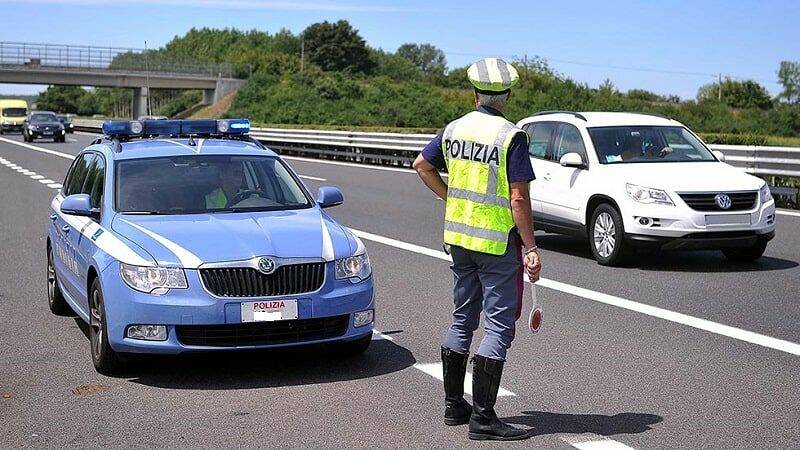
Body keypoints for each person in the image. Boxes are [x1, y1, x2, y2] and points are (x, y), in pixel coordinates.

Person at [412, 57, 542, 441]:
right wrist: (531, 246)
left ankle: (455, 406)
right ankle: (484, 418)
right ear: (508, 95)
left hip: (459, 240)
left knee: (462, 319)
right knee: (499, 326)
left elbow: (421, 165)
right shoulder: (511, 136)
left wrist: (451, 199)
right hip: (496, 243)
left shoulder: (454, 129)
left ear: (474, 93)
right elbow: (518, 198)